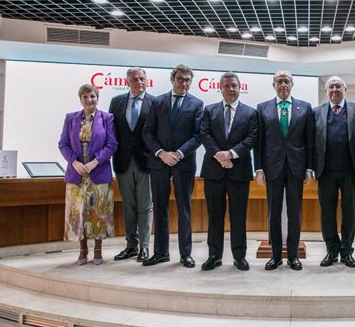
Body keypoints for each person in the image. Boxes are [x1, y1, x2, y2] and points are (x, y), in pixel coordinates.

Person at [142, 64, 204, 267]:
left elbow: (198, 135)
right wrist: (161, 154)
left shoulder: (197, 104)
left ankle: (185, 254)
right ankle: (161, 253)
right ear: (172, 79)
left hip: (183, 163)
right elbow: (148, 132)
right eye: (180, 79)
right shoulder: (157, 101)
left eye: (187, 80)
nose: (184, 83)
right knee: (159, 207)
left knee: (184, 208)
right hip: (159, 163)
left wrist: (178, 153)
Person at [255, 70, 314, 271]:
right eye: (279, 81)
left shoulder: (305, 108)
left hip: (297, 167)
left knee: (295, 212)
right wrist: (259, 168)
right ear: (274, 85)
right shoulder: (262, 108)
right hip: (272, 168)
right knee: (274, 212)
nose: (283, 85)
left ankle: (293, 255)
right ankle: (275, 255)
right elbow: (259, 142)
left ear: (292, 84)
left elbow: (310, 141)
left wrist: (309, 168)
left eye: (286, 81)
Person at [199, 72, 258, 271]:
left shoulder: (250, 113)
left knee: (238, 217)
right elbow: (204, 135)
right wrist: (219, 156)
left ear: (240, 88)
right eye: (227, 86)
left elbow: (251, 138)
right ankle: (214, 256)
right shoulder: (209, 110)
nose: (231, 89)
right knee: (214, 216)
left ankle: (239, 257)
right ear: (220, 88)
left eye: (234, 85)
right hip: (213, 171)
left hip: (238, 172)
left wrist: (231, 154)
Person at [58, 84, 118, 266]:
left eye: (92, 96)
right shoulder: (70, 118)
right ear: (80, 99)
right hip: (76, 175)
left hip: (98, 173)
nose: (89, 100)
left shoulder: (107, 118)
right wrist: (74, 162)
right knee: (79, 213)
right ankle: (82, 251)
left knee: (98, 213)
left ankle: (98, 251)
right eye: (85, 97)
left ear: (97, 97)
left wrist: (94, 162)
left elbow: (112, 144)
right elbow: (63, 144)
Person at [313, 76, 355, 268]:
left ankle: (346, 252)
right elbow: (313, 143)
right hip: (325, 172)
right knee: (327, 213)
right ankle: (331, 251)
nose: (334, 90)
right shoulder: (316, 112)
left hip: (350, 172)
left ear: (345, 89)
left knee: (349, 213)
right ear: (326, 91)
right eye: (330, 87)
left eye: (338, 86)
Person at [109, 67, 155, 263]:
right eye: (135, 79)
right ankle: (131, 246)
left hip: (146, 162)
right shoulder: (117, 102)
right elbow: (111, 132)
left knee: (145, 206)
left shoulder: (155, 102)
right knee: (129, 206)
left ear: (147, 80)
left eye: (142, 79)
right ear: (128, 82)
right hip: (123, 162)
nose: (139, 82)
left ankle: (144, 247)